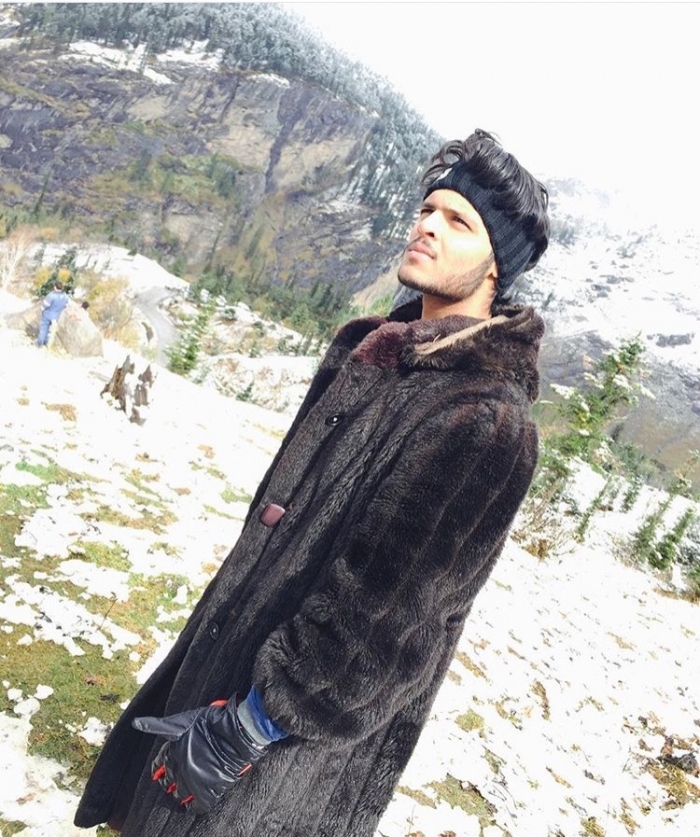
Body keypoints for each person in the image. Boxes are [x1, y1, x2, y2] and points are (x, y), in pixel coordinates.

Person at [75, 129, 550, 837]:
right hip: (225, 664)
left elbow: (385, 623)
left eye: (459, 221)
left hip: (282, 749)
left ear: (495, 266)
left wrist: (252, 725)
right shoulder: (375, 355)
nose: (427, 226)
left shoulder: (484, 419)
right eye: (428, 208)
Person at [36, 280, 69, 347]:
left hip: (47, 314)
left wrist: (42, 309)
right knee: (50, 330)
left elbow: (45, 304)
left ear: (55, 287)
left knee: (44, 328)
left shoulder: (51, 295)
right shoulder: (65, 296)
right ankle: (46, 342)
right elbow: (65, 305)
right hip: (56, 316)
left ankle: (40, 343)